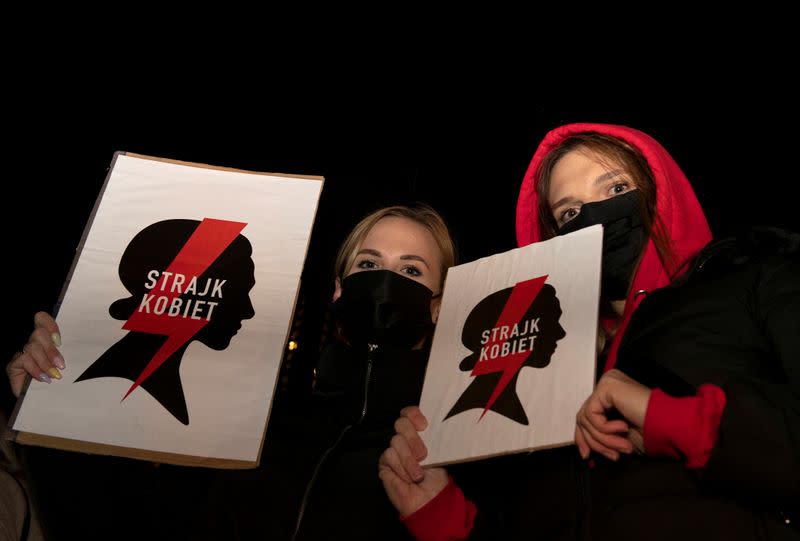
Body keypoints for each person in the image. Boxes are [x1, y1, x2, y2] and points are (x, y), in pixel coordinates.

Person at [379, 123, 799, 540]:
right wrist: (448, 520)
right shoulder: (540, 364)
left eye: (616, 189)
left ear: (662, 188)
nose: (594, 218)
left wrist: (671, 419)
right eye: (570, 212)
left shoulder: (755, 282)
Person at [7, 204, 457, 540]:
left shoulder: (452, 445)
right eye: (369, 264)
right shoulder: (259, 424)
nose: (385, 282)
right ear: (339, 290)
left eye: (411, 270)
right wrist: (48, 415)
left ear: (437, 305)